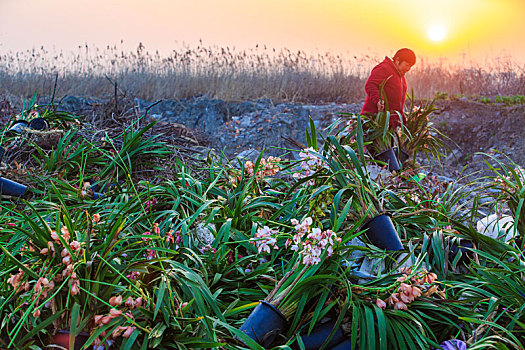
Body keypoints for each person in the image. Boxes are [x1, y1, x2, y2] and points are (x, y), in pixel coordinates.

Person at [360, 48, 416, 129]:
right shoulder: (384, 68)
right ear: (397, 60)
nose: (408, 69)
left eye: (410, 66)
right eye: (407, 65)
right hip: (375, 121)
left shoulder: (401, 76)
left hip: (390, 124)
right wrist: (378, 100)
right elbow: (370, 85)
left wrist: (402, 120)